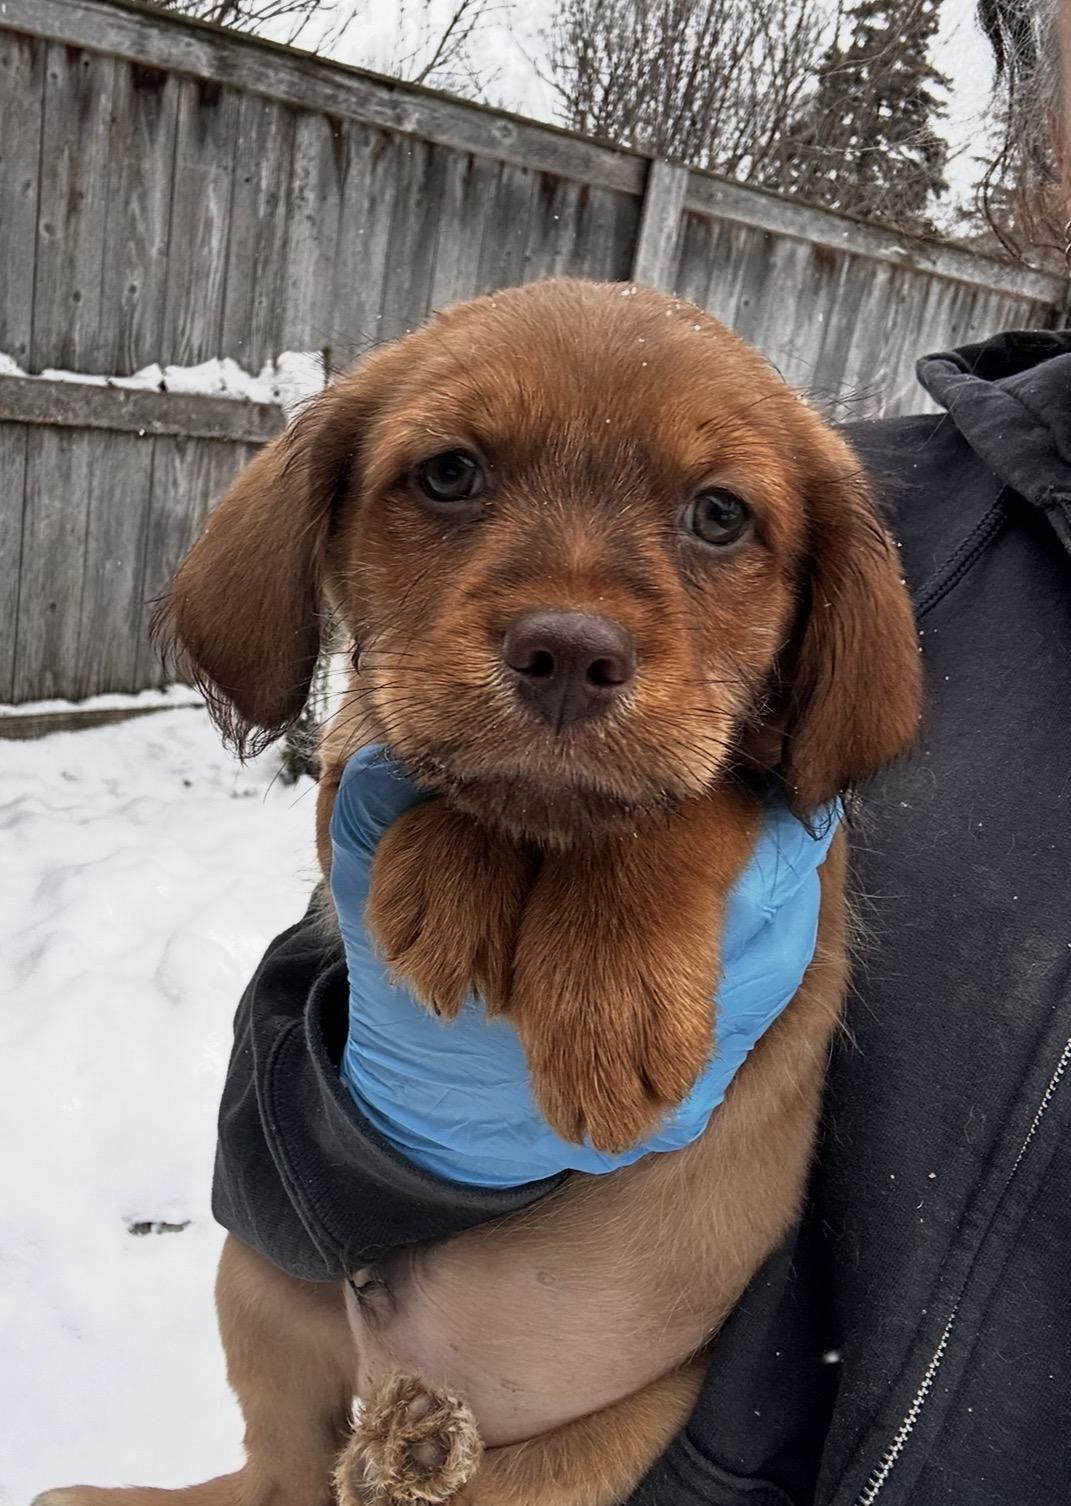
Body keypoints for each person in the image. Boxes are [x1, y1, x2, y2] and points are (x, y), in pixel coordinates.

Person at [214, 4, 1071, 1501]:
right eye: (453, 475)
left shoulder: (854, 558)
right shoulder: (907, 516)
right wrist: (379, 1130)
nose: (578, 625)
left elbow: (822, 746)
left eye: (715, 521)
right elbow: (281, 1154)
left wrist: (669, 855)